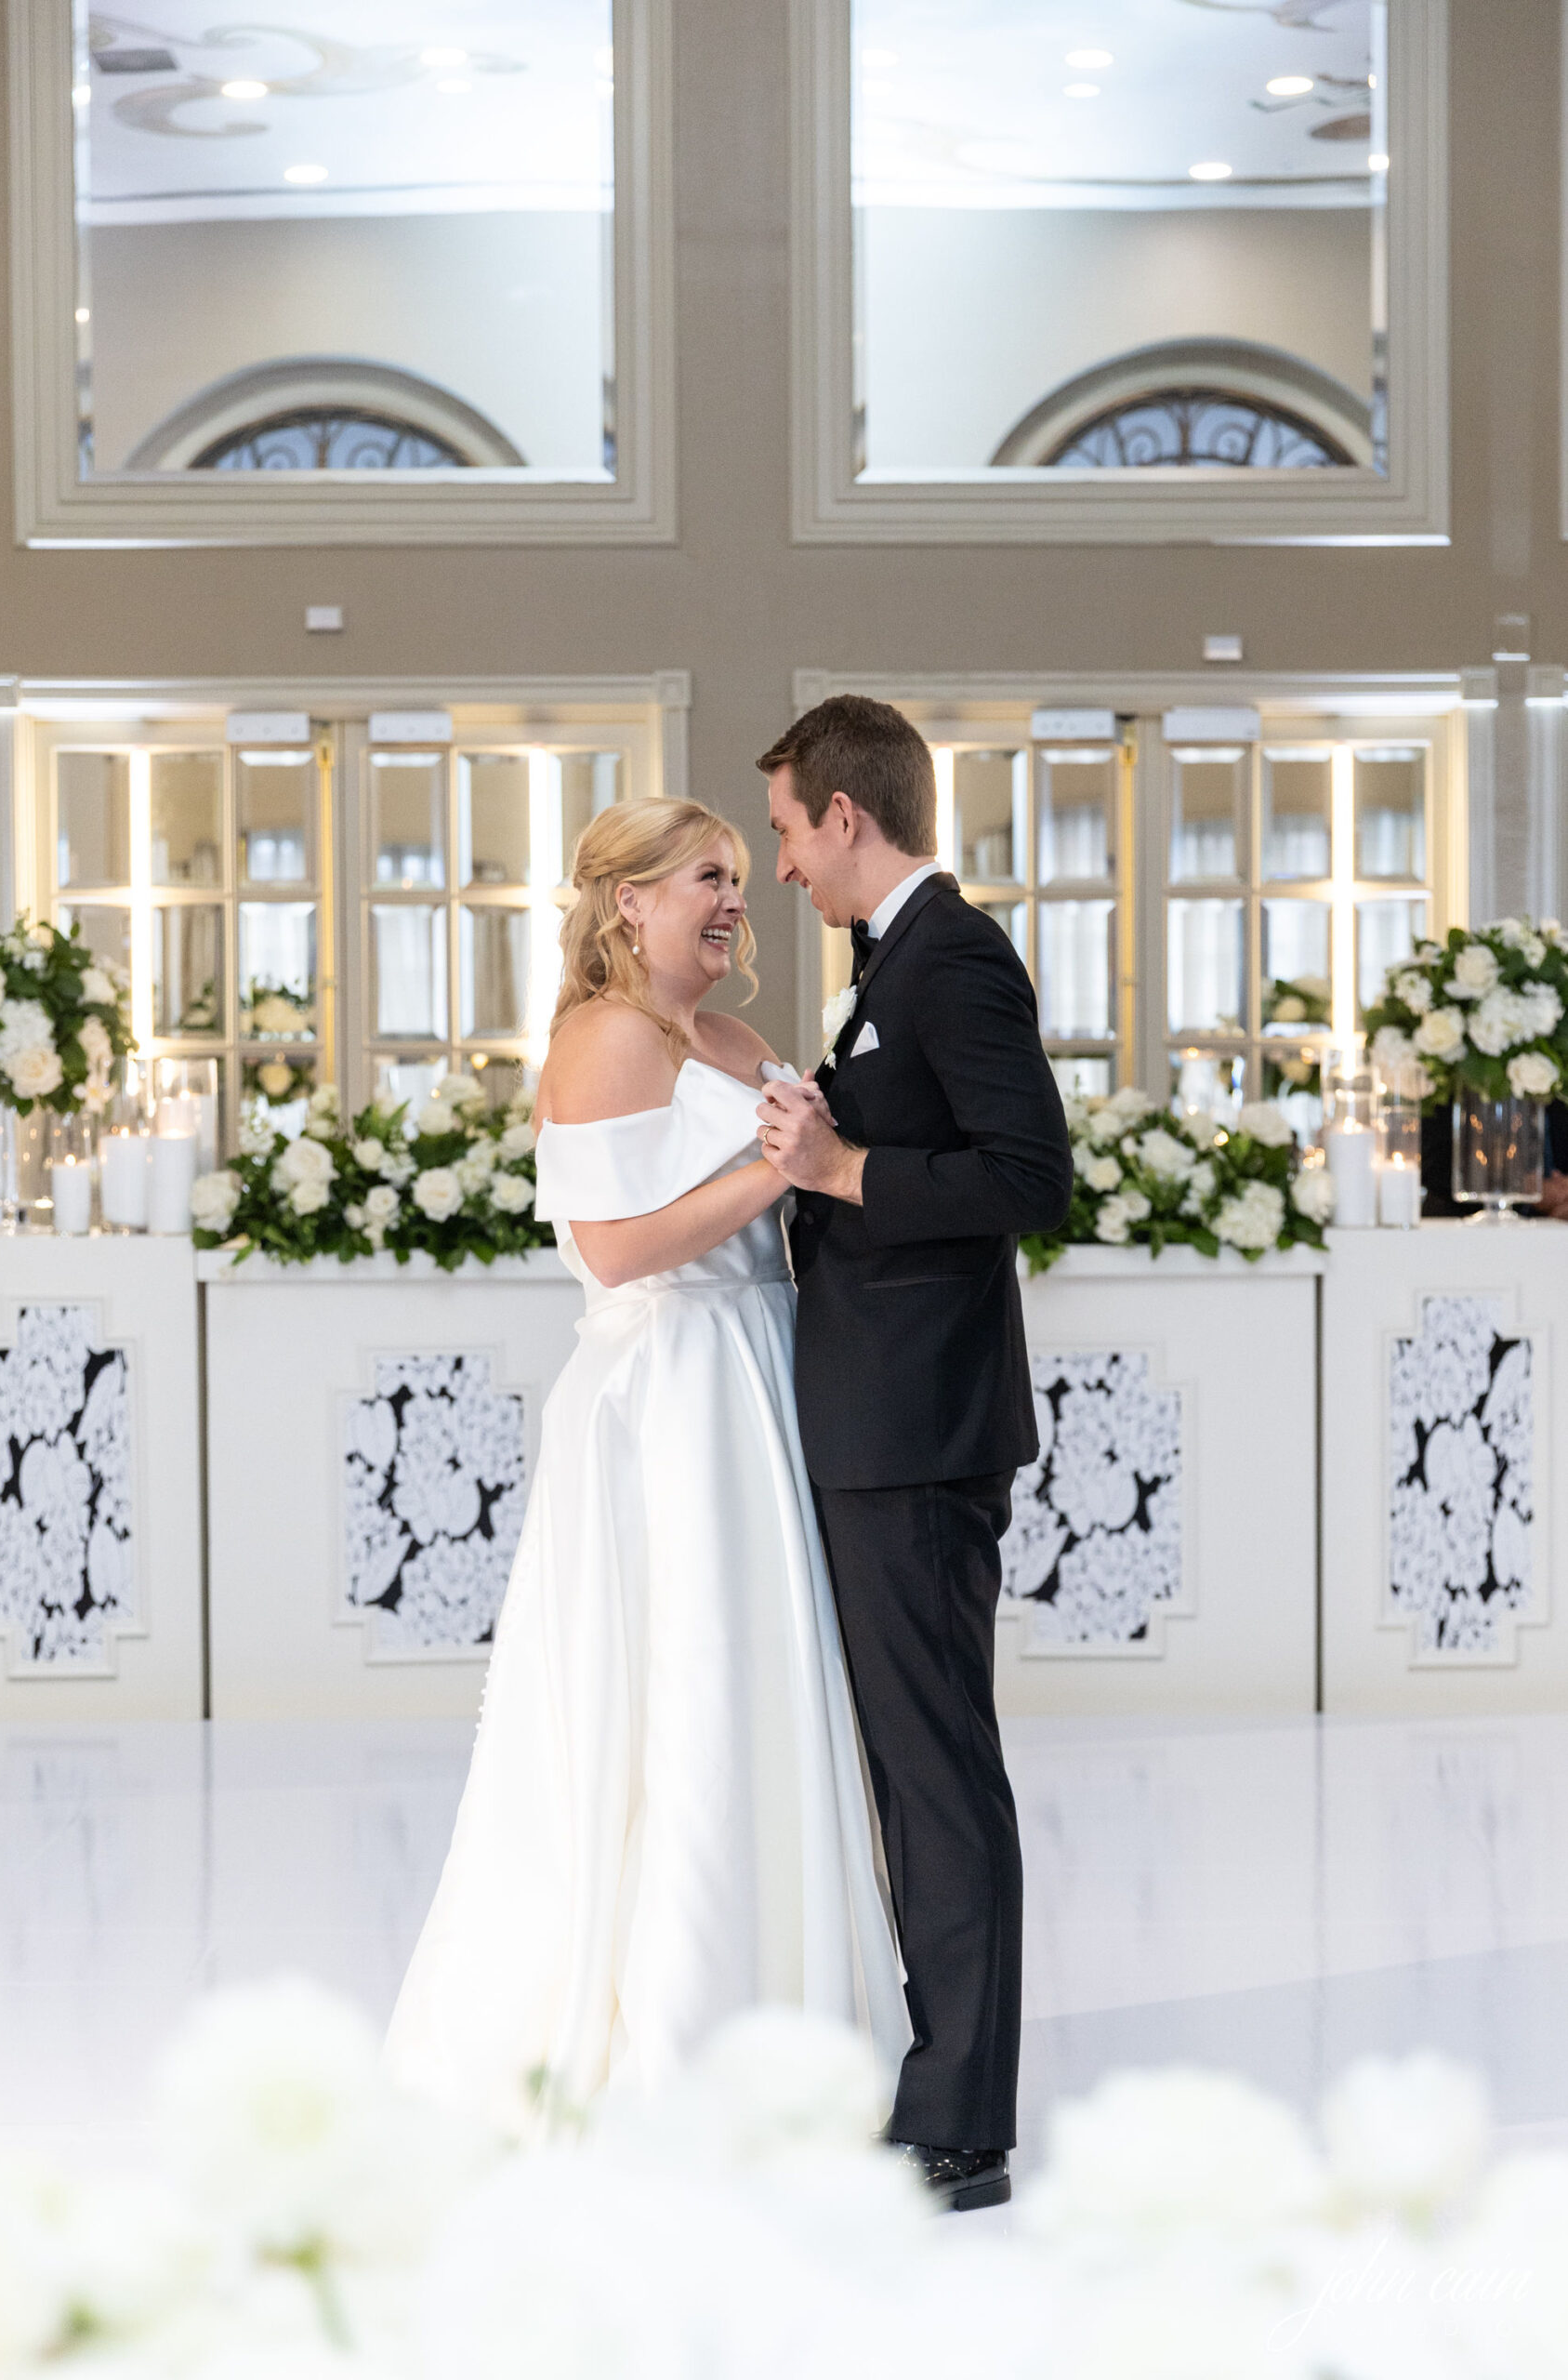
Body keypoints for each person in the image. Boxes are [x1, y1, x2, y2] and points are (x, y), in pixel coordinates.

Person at [384, 800, 910, 2130]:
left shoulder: (733, 1039)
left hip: (760, 1375)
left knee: (764, 1686)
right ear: (628, 902)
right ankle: (672, 2041)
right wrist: (781, 1167)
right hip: (669, 1391)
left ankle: (780, 2013)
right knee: (679, 1687)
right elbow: (616, 1249)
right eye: (706, 880)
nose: (735, 900)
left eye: (739, 877)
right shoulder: (603, 1038)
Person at [755, 695, 1074, 2212]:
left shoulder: (953, 952)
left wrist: (844, 1165)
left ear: (844, 816)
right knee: (909, 1767)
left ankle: (964, 2120)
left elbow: (1030, 1175)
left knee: (938, 1771)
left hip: (923, 1434)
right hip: (880, 1422)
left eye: (784, 835)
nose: (779, 871)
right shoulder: (893, 966)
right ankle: (943, 2076)